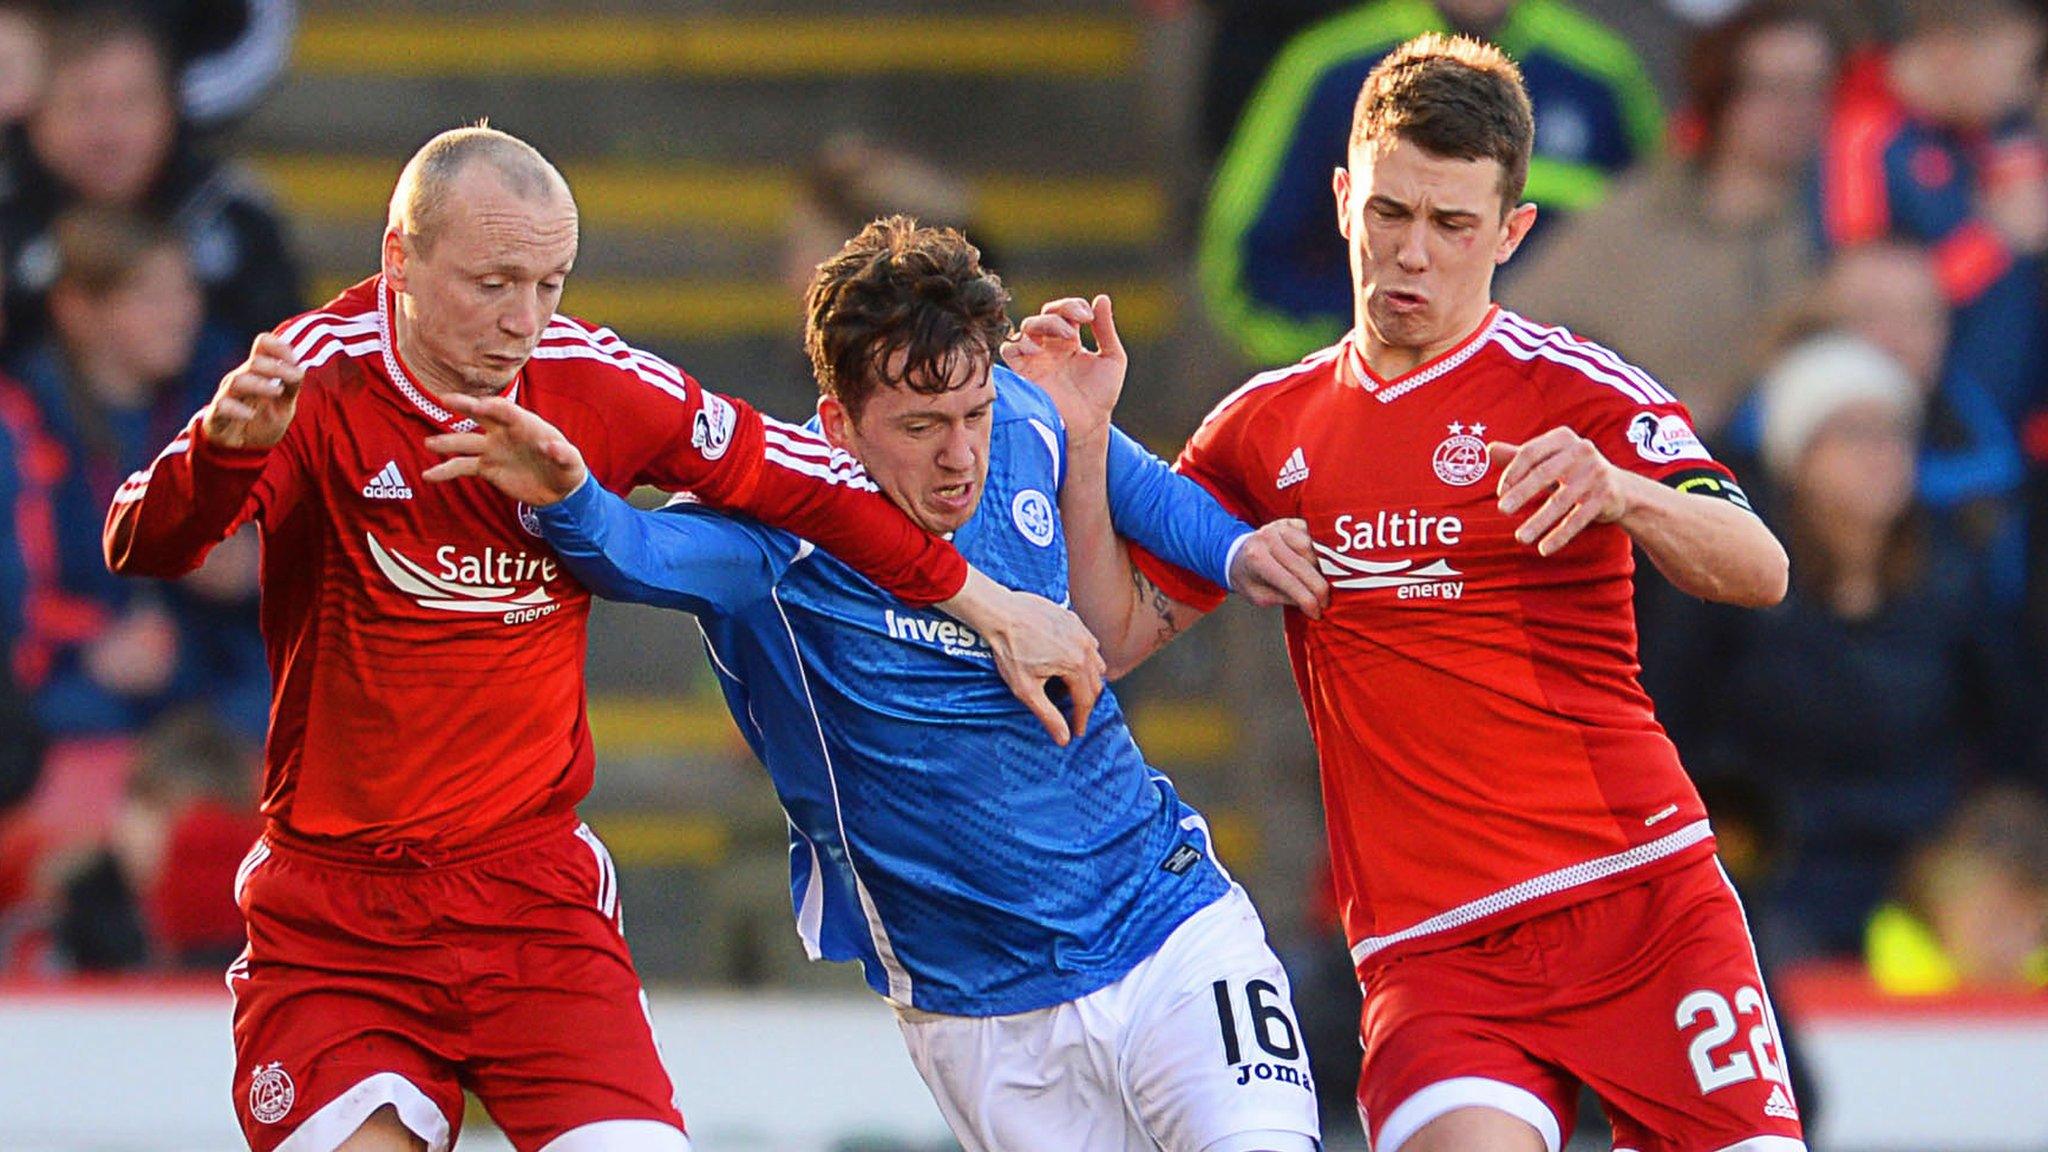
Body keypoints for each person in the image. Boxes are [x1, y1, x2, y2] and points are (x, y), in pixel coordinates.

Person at [103, 127, 1102, 1152]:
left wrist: (986, 603)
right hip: (337, 919)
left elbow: (812, 487)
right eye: (494, 282)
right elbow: (142, 540)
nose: (523, 320)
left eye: (549, 282)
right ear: (399, 259)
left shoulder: (591, 379)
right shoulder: (315, 378)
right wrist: (222, 456)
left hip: (528, 903)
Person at [427, 215, 1330, 1152]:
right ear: (837, 425)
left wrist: (1235, 548)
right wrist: (571, 502)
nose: (961, 455)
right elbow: (641, 553)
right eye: (920, 426)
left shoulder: (1016, 417)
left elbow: (1131, 478)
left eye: (973, 415)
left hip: (1167, 923)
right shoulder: (776, 538)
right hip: (979, 1010)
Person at [1055, 34, 1804, 1152]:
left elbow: (1760, 566)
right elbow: (1111, 639)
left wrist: (1624, 496)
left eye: (1451, 226)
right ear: (1342, 196)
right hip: (1434, 950)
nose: (1410, 255)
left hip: (1638, 902)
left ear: (1510, 232)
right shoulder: (1265, 428)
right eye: (1388, 215)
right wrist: (1080, 444)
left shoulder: (1575, 391)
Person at [1199, 0, 1663, 365]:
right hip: (1372, 396)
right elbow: (1245, 263)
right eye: (1389, 211)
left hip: (1557, 408)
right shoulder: (1330, 67)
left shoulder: (1603, 76)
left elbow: (1667, 244)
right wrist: (1375, 337)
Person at [1506, 0, 1835, 437]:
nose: (1797, 109)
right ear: (1723, 93)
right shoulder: (1643, 209)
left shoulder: (1843, 214)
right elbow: (1525, 319)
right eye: (1773, 87)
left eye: (1815, 88)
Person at [1, 6, 303, 355]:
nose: (108, 133)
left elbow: (292, 367)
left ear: (171, 111)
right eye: (82, 105)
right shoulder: (7, 218)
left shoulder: (232, 216)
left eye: (131, 103)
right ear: (36, 116)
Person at [1814, 0, 2048, 422]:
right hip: (1924, 426)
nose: (2024, 88)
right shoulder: (1866, 136)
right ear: (1951, 52)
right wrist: (1997, 240)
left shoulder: (1992, 131)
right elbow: (1867, 301)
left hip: (2010, 416)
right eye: (2020, 68)